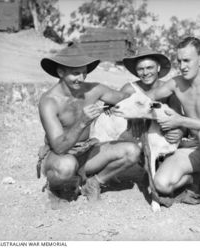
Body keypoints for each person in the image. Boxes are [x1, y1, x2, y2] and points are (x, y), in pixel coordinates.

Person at [143, 37, 200, 225]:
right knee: (162, 184)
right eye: (179, 61)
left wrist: (181, 121)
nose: (182, 66)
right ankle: (197, 178)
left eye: (187, 60)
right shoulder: (176, 83)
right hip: (193, 146)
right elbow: (145, 97)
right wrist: (117, 101)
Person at [37, 43, 141, 203]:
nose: (81, 78)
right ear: (60, 72)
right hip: (59, 157)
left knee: (132, 151)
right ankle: (56, 187)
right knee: (66, 167)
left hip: (87, 152)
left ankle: (93, 182)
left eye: (84, 73)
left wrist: (141, 88)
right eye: (75, 73)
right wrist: (82, 122)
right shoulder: (49, 101)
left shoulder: (93, 90)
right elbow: (59, 147)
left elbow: (122, 97)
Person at [120, 46, 184, 143]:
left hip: (159, 140)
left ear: (158, 68)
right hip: (132, 139)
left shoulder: (168, 90)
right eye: (140, 69)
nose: (145, 73)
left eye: (149, 68)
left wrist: (180, 132)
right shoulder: (130, 89)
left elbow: (179, 118)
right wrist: (132, 117)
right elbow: (111, 112)